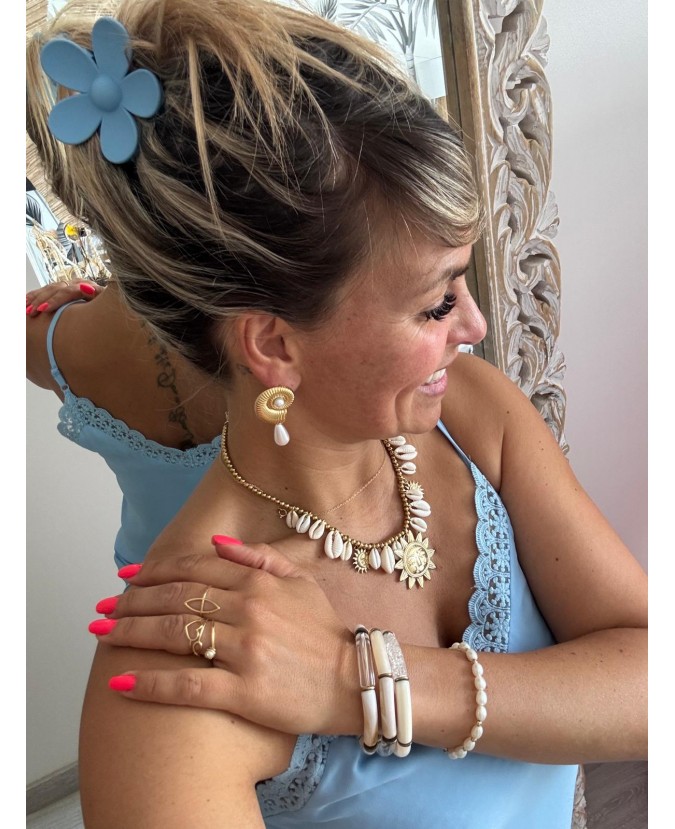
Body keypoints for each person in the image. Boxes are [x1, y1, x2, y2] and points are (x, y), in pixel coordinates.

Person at [26, 1, 647, 827]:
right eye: (435, 302)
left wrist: (360, 679)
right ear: (273, 344)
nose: (473, 325)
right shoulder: (174, 677)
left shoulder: (471, 413)